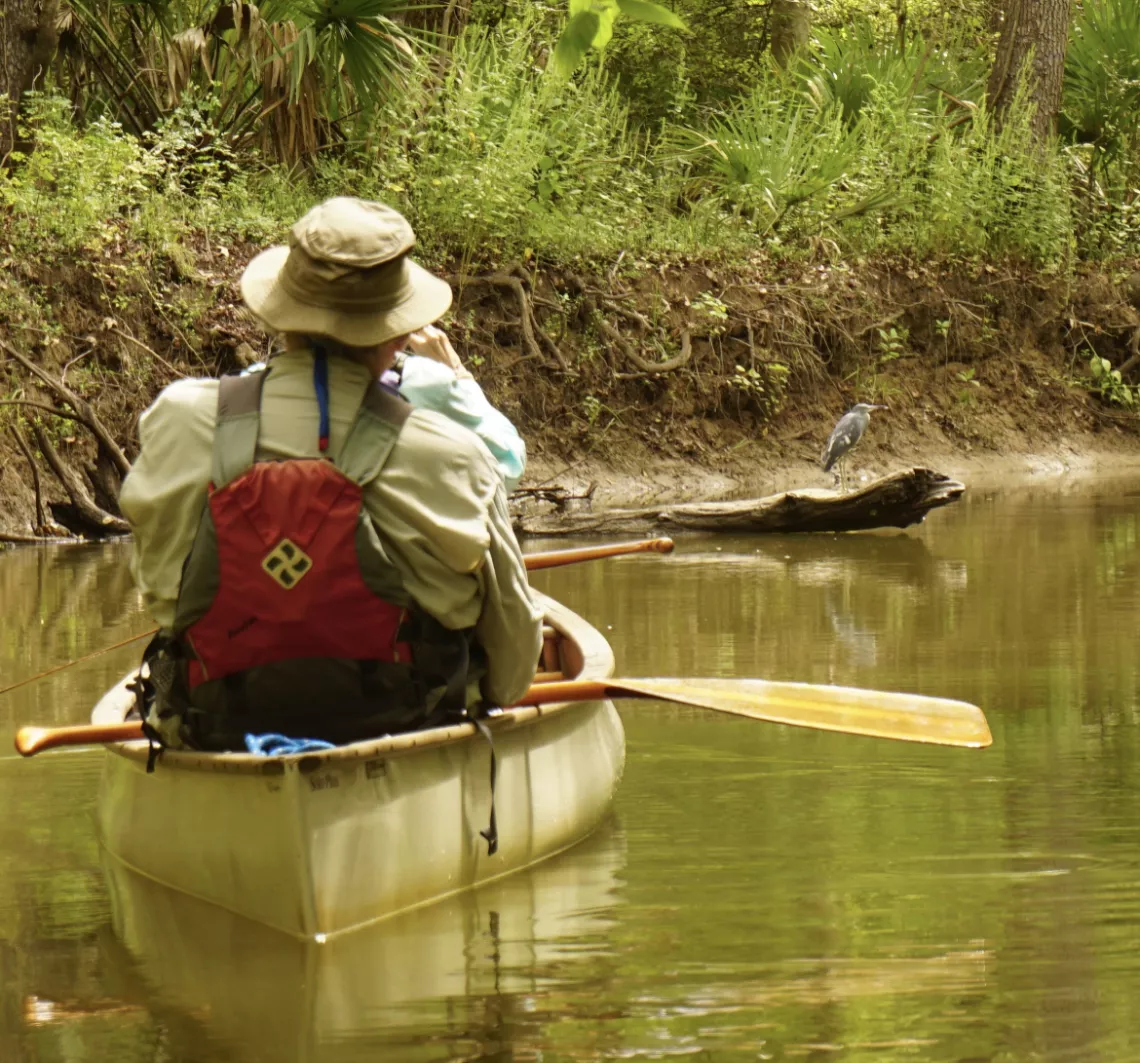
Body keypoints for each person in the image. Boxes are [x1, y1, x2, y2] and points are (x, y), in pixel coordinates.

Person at [119, 197, 544, 753]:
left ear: (279, 315)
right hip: (407, 725)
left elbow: (159, 592)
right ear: (397, 334)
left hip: (213, 724)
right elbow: (512, 668)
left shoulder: (176, 419)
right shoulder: (456, 455)